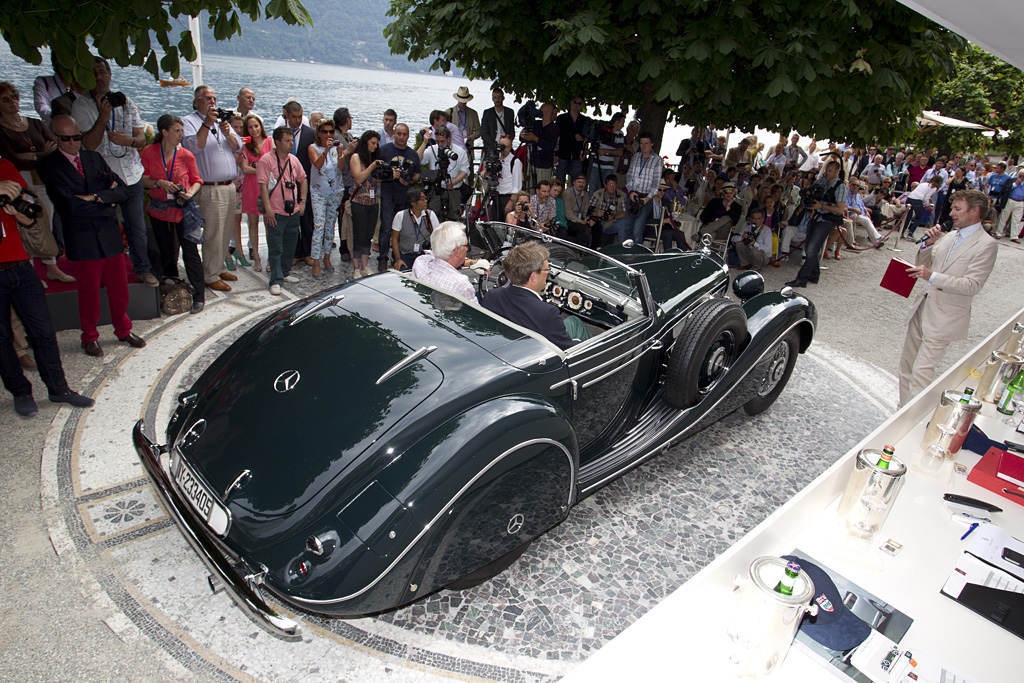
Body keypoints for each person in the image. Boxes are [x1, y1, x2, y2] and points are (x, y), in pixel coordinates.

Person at [39, 116, 146, 356]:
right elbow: (69, 207)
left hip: (109, 235)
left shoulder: (93, 157)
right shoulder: (49, 166)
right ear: (55, 138)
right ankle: (89, 336)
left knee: (120, 288)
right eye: (65, 138)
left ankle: (123, 329)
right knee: (88, 292)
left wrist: (95, 198)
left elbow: (121, 189)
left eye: (76, 137)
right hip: (82, 238)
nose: (72, 143)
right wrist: (105, 200)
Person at [1, 159, 95, 417]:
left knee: (43, 331)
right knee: (1, 339)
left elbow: (30, 215)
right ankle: (20, 392)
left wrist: (22, 215)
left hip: (19, 264)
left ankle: (59, 389)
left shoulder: (6, 167)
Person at [898, 190, 998, 405]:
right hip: (922, 307)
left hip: (945, 317)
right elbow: (925, 266)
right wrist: (929, 244)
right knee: (906, 367)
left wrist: (931, 276)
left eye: (957, 209)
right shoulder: (950, 235)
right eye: (952, 208)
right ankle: (899, 411)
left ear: (975, 211)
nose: (951, 213)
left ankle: (906, 421)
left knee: (921, 373)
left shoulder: (987, 245)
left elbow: (972, 285)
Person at [72, 57, 158, 287]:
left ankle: (143, 269)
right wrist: (102, 118)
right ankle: (106, 272)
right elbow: (88, 145)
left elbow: (141, 137)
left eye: (102, 72)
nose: (99, 77)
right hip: (102, 178)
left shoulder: (126, 102)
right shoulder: (81, 105)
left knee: (138, 229)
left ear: (110, 74)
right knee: (104, 229)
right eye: (94, 73)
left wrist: (130, 140)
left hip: (131, 175)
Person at [0, 81, 74, 284]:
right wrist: (42, 154)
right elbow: (12, 159)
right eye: (6, 99)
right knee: (24, 221)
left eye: (14, 97)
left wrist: (33, 156)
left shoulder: (34, 123)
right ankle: (30, 270)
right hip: (19, 180)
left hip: (43, 178)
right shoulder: (1, 130)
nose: (12, 102)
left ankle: (52, 266)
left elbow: (55, 150)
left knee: (45, 220)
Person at [140, 114, 204, 314]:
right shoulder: (149, 152)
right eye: (177, 131)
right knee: (167, 253)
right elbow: (142, 179)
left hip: (183, 210)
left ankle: (199, 296)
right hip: (160, 210)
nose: (181, 135)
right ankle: (173, 291)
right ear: (165, 132)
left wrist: (189, 193)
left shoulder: (185, 155)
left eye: (182, 131)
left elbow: (196, 180)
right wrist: (159, 183)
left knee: (191, 253)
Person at [182, 85, 243, 292]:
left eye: (214, 98)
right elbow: (193, 146)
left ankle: (218, 267)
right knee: (213, 233)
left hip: (228, 186)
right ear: (197, 100)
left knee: (225, 231)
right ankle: (209, 274)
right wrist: (207, 124)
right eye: (208, 98)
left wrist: (228, 133)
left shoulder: (222, 122)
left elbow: (238, 146)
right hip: (209, 187)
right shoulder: (189, 121)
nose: (212, 102)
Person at [481, 241, 590, 350]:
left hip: (508, 347)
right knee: (576, 323)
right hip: (537, 353)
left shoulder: (492, 296)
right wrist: (578, 342)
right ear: (533, 276)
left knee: (573, 321)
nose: (548, 273)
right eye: (547, 269)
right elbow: (567, 350)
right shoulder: (547, 313)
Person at [257, 126, 307, 296]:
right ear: (277, 142)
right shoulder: (266, 160)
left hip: (292, 210)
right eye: (287, 140)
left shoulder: (293, 160)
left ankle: (285, 273)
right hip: (276, 211)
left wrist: (303, 202)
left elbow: (303, 179)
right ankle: (276, 279)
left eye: (292, 140)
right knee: (275, 246)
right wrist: (268, 209)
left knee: (290, 244)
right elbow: (263, 186)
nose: (291, 143)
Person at [785, 160, 847, 289]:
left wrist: (822, 206)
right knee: (809, 248)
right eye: (827, 170)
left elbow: (840, 209)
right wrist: (812, 208)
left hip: (828, 220)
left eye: (830, 171)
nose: (827, 173)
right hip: (816, 216)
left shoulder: (840, 186)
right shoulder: (822, 181)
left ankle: (802, 278)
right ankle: (815, 275)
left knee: (812, 248)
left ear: (837, 172)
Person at [377, 123, 420, 271]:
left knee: (401, 230)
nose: (401, 137)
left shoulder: (413, 154)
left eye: (404, 134)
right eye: (399, 134)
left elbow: (417, 174)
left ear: (408, 135)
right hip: (388, 194)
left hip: (404, 196)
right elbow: (376, 171)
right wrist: (389, 175)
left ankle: (398, 257)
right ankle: (382, 258)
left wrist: (409, 180)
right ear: (394, 133)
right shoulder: (384, 150)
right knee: (386, 228)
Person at [307, 119, 343, 279]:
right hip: (319, 192)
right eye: (325, 131)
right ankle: (315, 261)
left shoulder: (336, 148)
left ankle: (327, 257)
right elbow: (317, 165)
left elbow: (341, 167)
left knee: (330, 225)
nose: (328, 134)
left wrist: (341, 154)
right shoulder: (313, 148)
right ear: (319, 133)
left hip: (335, 192)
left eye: (331, 131)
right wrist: (325, 151)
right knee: (319, 226)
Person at [410, 220, 477, 302]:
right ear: (457, 251)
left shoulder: (421, 262)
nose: (467, 249)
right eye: (467, 245)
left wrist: (469, 262)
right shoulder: (461, 285)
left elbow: (434, 254)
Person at [348, 130, 384, 279]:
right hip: (359, 202)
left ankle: (364, 266)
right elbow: (359, 178)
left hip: (373, 201)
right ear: (366, 143)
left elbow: (376, 182)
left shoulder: (374, 159)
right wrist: (371, 167)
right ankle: (356, 267)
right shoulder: (356, 158)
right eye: (372, 143)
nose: (375, 146)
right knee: (359, 234)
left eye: (376, 144)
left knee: (368, 235)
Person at [417, 126, 468, 220]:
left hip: (453, 189)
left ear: (449, 139)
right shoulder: (433, 149)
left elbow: (465, 171)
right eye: (438, 141)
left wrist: (453, 182)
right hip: (436, 189)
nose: (440, 144)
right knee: (432, 215)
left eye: (442, 141)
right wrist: (424, 143)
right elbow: (418, 160)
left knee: (455, 217)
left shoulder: (460, 151)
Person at [240, 114, 267, 271]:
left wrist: (256, 167)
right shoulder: (246, 146)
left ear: (261, 126)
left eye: (256, 126)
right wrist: (260, 168)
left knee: (270, 223)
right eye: (250, 127)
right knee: (253, 223)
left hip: (266, 186)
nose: (254, 129)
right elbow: (245, 168)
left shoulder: (270, 142)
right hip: (251, 186)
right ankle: (256, 257)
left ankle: (271, 259)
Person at [391, 188, 440, 272]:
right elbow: (394, 238)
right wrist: (398, 259)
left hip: (423, 255)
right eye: (422, 199)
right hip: (405, 254)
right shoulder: (400, 215)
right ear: (413, 203)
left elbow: (438, 237)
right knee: (403, 273)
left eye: (425, 198)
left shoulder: (430, 215)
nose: (426, 201)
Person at [555, 96, 588, 182]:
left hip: (577, 156)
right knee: (559, 182)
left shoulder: (584, 120)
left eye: (579, 103)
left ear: (582, 105)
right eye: (575, 102)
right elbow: (556, 136)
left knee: (576, 183)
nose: (577, 104)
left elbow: (587, 139)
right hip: (563, 154)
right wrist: (555, 153)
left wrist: (583, 141)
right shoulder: (561, 118)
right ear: (571, 102)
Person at [446, 88, 480, 164]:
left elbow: (479, 131)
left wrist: (471, 137)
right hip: (453, 147)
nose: (462, 103)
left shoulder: (473, 113)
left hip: (468, 148)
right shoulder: (449, 112)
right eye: (461, 100)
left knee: (468, 172)